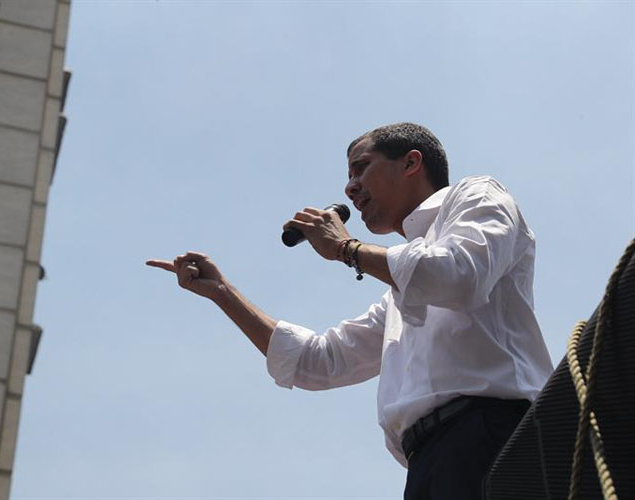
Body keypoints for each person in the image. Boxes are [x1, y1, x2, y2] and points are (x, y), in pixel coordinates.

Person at [146, 122, 553, 500]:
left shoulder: (478, 194)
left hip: (495, 436)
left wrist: (346, 249)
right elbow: (319, 361)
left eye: (361, 169)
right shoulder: (400, 291)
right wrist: (223, 293)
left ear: (412, 162)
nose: (350, 189)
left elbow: (458, 274)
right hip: (430, 463)